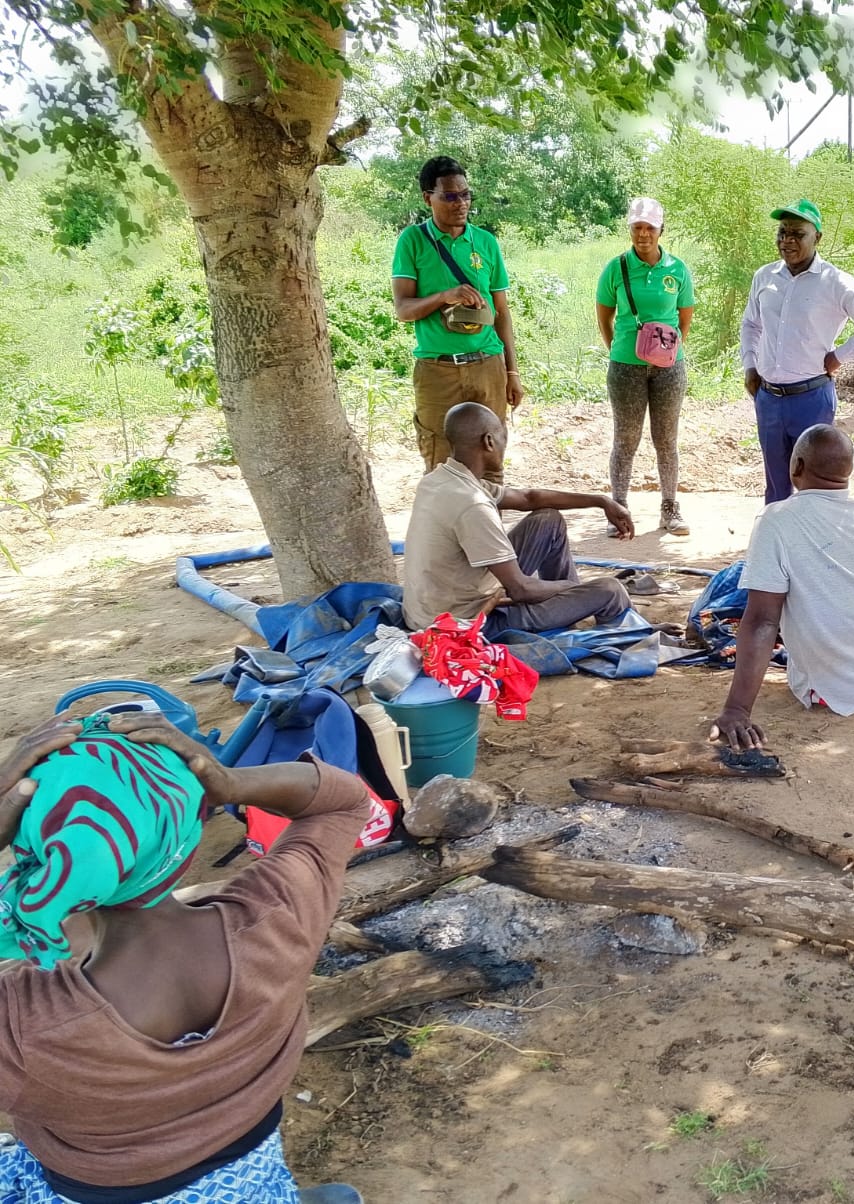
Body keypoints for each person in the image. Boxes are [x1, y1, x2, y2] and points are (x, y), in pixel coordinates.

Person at [0, 709, 369, 1203]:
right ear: (192, 822)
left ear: (33, 847)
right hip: (252, 1171)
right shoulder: (277, 919)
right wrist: (231, 781)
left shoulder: (23, 1025)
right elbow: (342, 801)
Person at [710, 425, 854, 750]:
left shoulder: (775, 520)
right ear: (847, 471)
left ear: (798, 468)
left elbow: (763, 621)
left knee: (766, 599)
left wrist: (737, 710)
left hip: (841, 691)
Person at [402, 402, 635, 637]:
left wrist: (601, 501)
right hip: (464, 623)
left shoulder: (440, 480)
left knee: (548, 520)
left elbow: (528, 498)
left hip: (433, 608)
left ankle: (570, 608)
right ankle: (624, 632)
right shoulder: (473, 505)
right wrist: (576, 588)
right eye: (503, 435)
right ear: (489, 442)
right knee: (610, 590)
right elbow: (521, 590)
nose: (506, 443)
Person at [739, 200, 854, 503]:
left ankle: (814, 547)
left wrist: (839, 357)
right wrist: (750, 366)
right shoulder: (765, 277)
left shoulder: (835, 282)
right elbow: (750, 325)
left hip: (811, 400)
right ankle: (776, 546)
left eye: (797, 234)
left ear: (817, 237)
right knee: (776, 487)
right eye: (782, 233)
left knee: (815, 488)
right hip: (769, 399)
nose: (787, 241)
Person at [391, 155, 524, 483]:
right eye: (450, 196)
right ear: (428, 198)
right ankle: (447, 534)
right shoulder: (413, 241)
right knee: (440, 464)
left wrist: (512, 371)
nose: (460, 203)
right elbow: (403, 310)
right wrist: (444, 296)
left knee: (491, 461)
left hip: (488, 366)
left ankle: (488, 530)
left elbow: (502, 313)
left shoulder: (486, 242)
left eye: (465, 194)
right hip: (438, 370)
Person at [596, 197, 696, 536]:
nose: (643, 234)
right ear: (630, 229)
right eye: (637, 227)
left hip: (669, 368)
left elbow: (684, 318)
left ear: (660, 230)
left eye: (649, 228)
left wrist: (664, 352)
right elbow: (604, 314)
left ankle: (670, 508)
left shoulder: (677, 269)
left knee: (666, 439)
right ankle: (618, 510)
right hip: (626, 366)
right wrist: (621, 350)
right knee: (625, 439)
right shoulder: (616, 268)